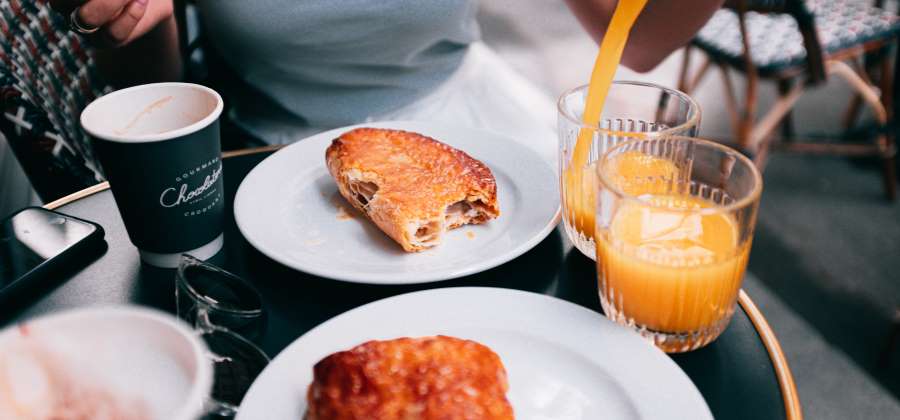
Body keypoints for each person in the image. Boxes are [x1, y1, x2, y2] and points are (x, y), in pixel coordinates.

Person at [49, 0, 723, 162]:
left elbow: (634, 37)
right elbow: (154, 89)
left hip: (467, 124)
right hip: (255, 149)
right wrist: (130, 22)